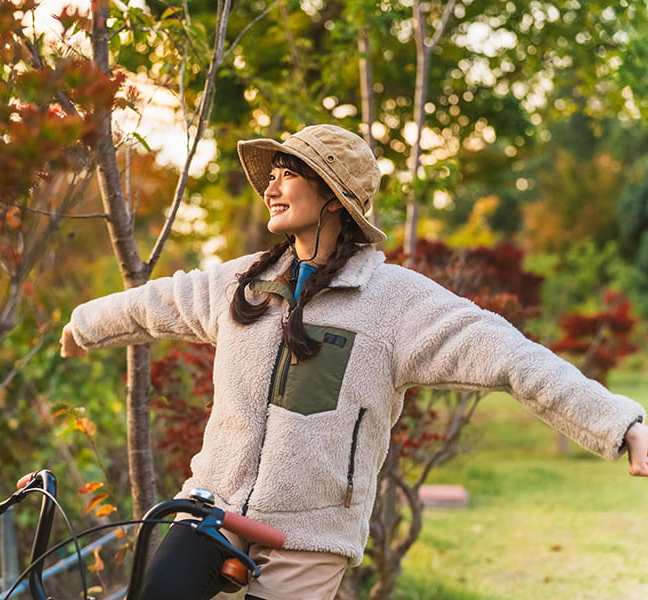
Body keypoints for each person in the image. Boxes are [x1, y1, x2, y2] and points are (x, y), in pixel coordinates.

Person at [60, 124, 648, 600]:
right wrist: (83, 324)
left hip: (308, 533)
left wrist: (621, 424)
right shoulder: (243, 282)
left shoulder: (396, 303)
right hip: (210, 506)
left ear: (334, 196)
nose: (272, 186)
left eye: (291, 174)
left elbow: (511, 355)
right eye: (274, 174)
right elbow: (157, 300)